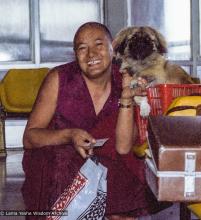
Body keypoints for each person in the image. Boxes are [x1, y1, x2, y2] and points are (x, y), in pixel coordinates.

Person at [22, 22, 170, 220]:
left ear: (113, 47)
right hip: (59, 160)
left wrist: (126, 98)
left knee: (126, 177)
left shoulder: (126, 79)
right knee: (64, 165)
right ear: (75, 54)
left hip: (107, 161)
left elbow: (124, 147)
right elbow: (30, 137)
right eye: (82, 48)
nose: (91, 54)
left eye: (98, 45)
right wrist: (69, 134)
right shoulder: (60, 78)